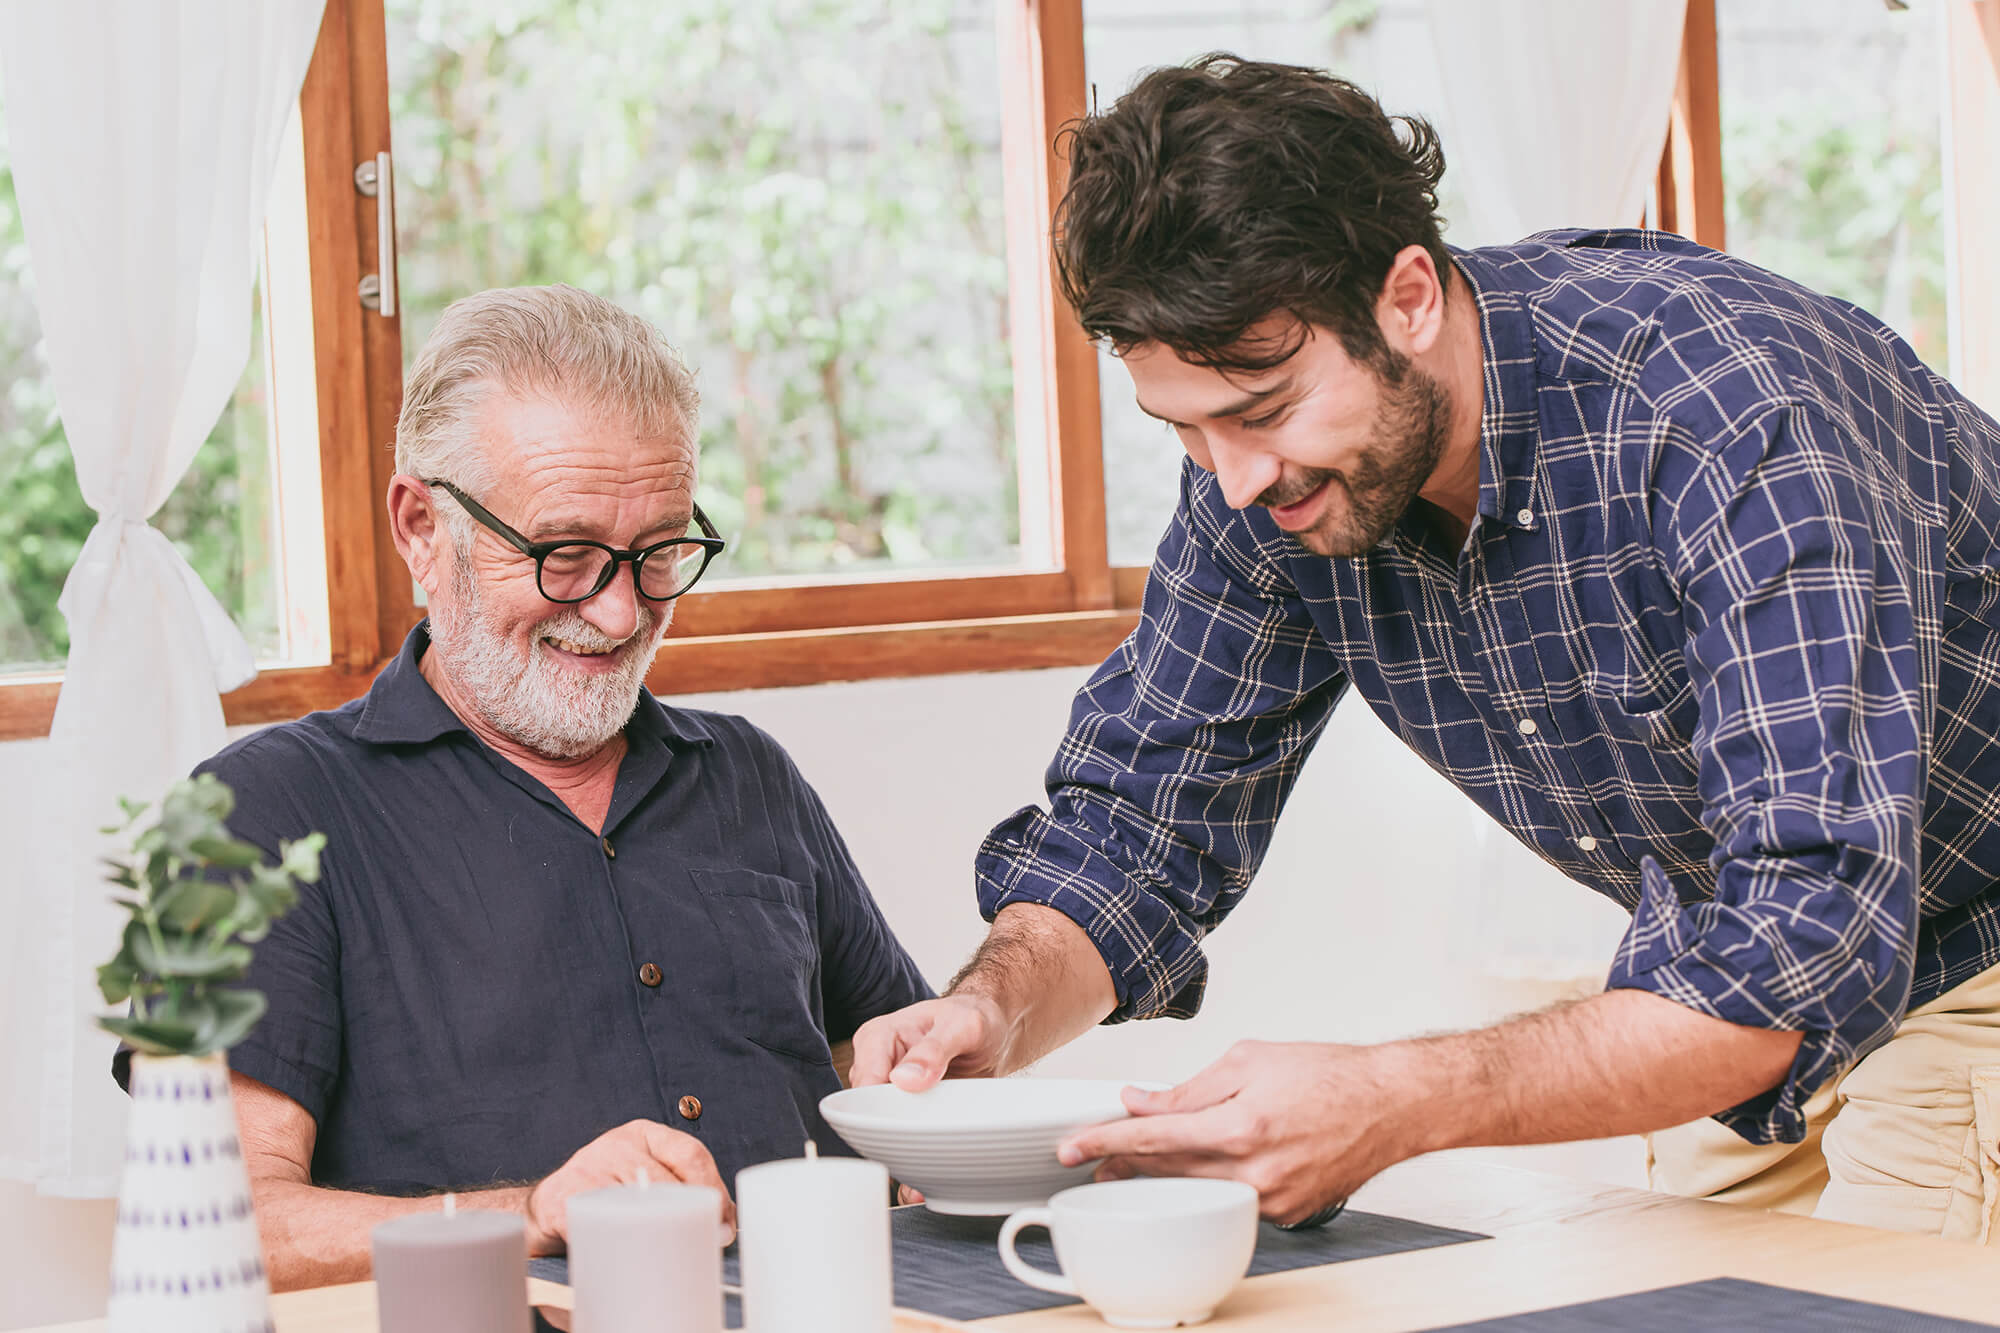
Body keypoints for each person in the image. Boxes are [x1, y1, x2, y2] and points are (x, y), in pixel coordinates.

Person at [851, 56, 2000, 1245]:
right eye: (1183, 430)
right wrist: (991, 1007)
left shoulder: (1722, 413)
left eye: (1260, 411)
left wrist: (1389, 1100)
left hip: (1965, 940)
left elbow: (1807, 941)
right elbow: (1137, 829)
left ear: (1406, 298)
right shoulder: (1264, 487)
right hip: (1728, 960)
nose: (1234, 478)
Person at [116, 284, 933, 1289]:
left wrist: (945, 1119)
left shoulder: (748, 775)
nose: (620, 610)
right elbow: (213, 1225)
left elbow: (900, 1087)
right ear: (420, 526)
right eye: (565, 554)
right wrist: (535, 1213)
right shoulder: (254, 818)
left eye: (659, 551)